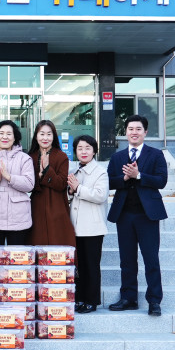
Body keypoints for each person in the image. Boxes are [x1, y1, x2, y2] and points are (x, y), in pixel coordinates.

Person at [107, 115, 167, 317]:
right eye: (130, 129)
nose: (134, 132)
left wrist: (139, 175)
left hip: (147, 215)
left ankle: (154, 301)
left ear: (145, 132)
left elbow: (161, 181)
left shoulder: (156, 154)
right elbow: (109, 182)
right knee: (127, 260)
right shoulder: (117, 157)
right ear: (125, 132)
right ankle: (128, 298)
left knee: (151, 259)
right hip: (124, 214)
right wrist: (125, 178)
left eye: (138, 129)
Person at [67, 135, 109, 314]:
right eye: (80, 148)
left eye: (87, 148)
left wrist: (77, 188)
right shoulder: (75, 171)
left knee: (91, 266)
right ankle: (80, 298)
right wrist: (70, 192)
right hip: (76, 226)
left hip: (92, 227)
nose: (83, 151)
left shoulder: (100, 172)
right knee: (79, 266)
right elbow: (70, 197)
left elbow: (100, 195)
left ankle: (92, 301)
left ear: (94, 151)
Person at [0, 120, 34, 246]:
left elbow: (29, 184)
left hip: (18, 218)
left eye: (9, 134)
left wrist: (9, 177)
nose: (5, 137)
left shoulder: (24, 158)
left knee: (16, 256)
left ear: (15, 137)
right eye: (1, 133)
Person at [27, 120, 75, 247]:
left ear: (53, 137)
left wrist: (47, 170)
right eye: (42, 134)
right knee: (36, 242)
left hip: (57, 205)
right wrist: (39, 176)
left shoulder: (61, 156)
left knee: (58, 242)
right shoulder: (29, 157)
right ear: (36, 136)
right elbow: (27, 185)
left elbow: (61, 184)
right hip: (36, 205)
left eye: (49, 134)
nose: (45, 138)